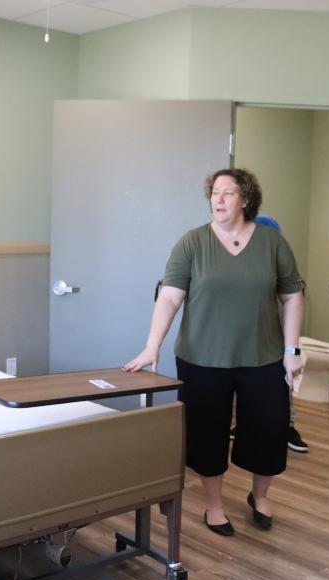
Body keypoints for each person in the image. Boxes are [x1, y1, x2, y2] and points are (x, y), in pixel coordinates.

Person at [123, 168, 305, 536]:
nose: (219, 200)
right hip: (202, 358)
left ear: (246, 199)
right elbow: (171, 296)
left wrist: (292, 350)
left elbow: (292, 296)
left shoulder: (272, 243)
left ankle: (261, 497)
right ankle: (215, 506)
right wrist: (152, 345)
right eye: (215, 193)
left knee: (269, 431)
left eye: (228, 193)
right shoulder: (192, 243)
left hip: (264, 357)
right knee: (207, 435)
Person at [227, 213, 310, 453]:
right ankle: (241, 425)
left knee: (283, 382)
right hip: (242, 340)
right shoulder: (236, 263)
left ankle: (287, 427)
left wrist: (290, 348)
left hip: (275, 340)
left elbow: (292, 301)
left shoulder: (278, 262)